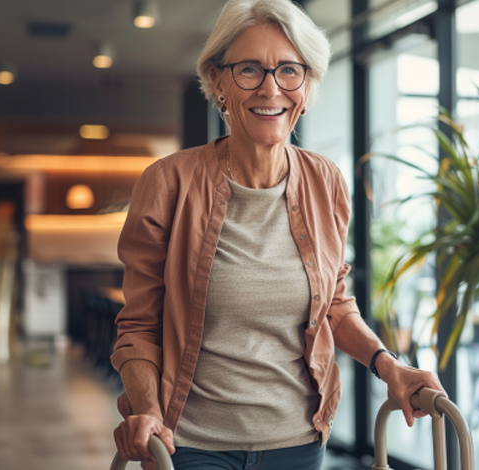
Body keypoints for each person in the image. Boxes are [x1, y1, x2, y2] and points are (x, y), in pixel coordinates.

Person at [111, 1, 444, 469]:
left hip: (299, 442)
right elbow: (138, 328)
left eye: (289, 70)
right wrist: (146, 410)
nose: (271, 88)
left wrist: (391, 366)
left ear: (306, 88)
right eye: (249, 69)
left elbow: (335, 304)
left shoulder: (325, 180)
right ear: (219, 82)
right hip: (190, 444)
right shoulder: (169, 183)